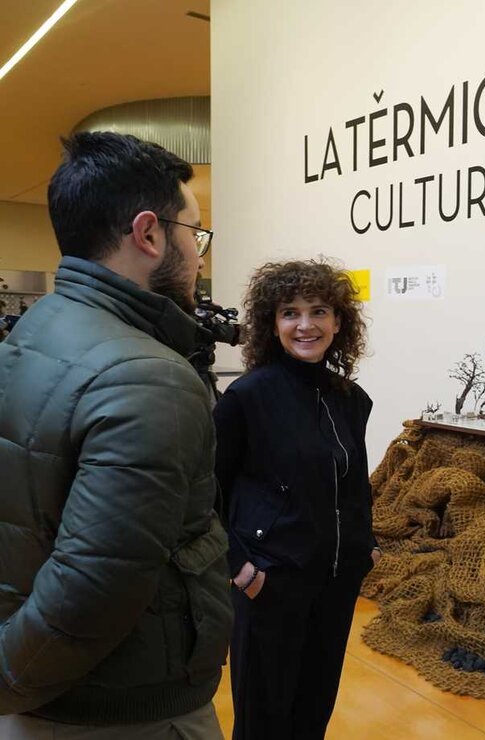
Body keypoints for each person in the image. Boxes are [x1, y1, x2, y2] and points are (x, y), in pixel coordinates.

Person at [0, 132, 231, 737]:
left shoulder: (36, 330)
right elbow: (92, 590)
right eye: (196, 234)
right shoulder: (147, 375)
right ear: (150, 234)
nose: (200, 255)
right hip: (118, 711)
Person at [213, 260, 381, 740]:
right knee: (263, 720)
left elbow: (353, 483)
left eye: (319, 311)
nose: (306, 325)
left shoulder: (350, 399)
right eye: (290, 312)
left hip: (334, 583)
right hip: (270, 582)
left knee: (312, 713)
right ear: (272, 323)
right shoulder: (246, 398)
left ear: (338, 322)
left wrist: (363, 545)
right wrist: (241, 568)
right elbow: (206, 491)